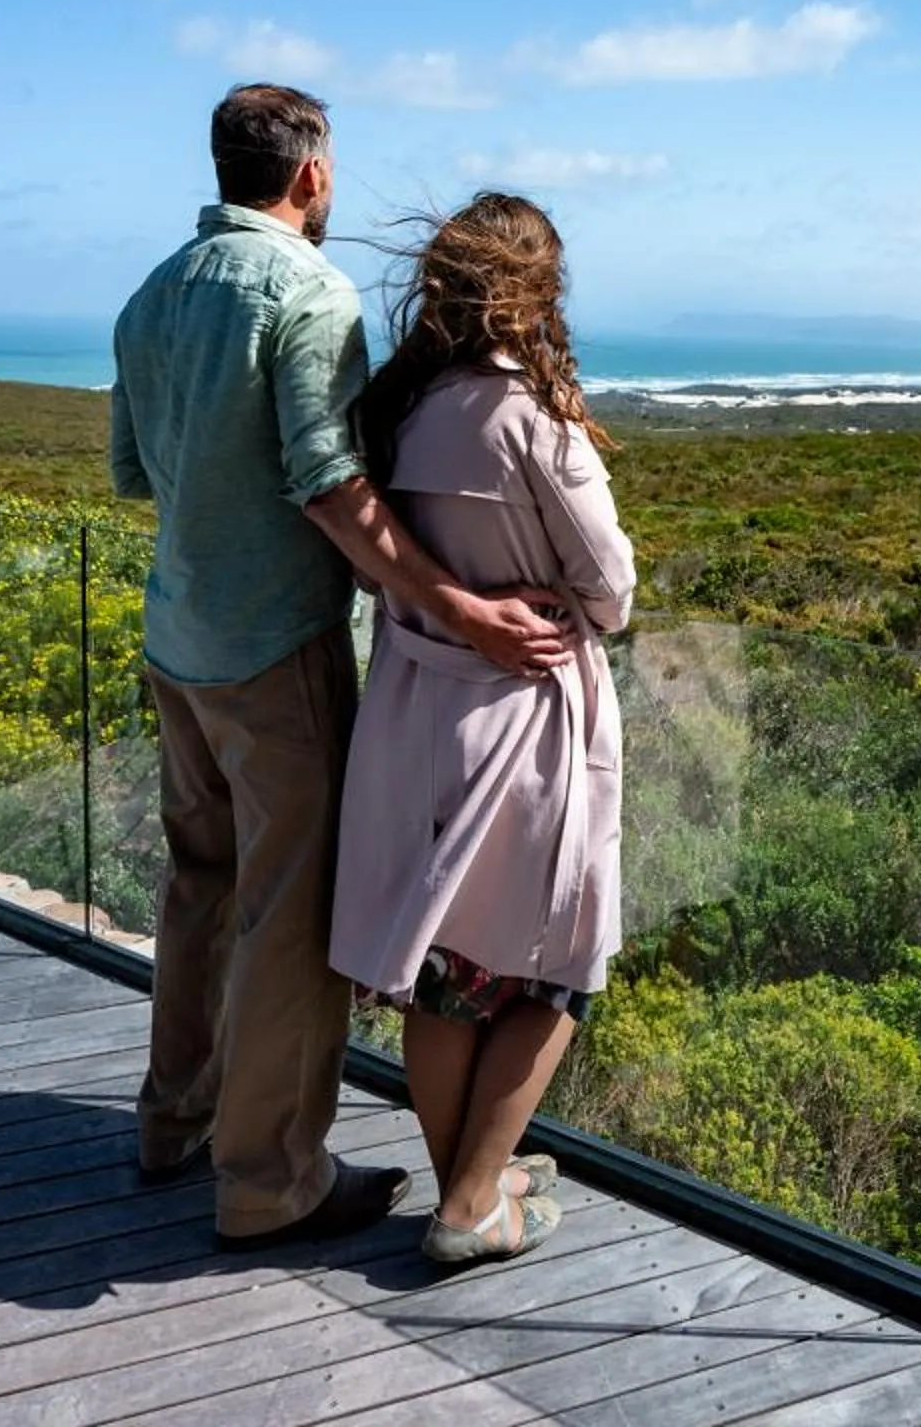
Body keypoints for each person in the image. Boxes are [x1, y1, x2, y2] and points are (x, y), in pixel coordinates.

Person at [108, 84, 571, 1249]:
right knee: (289, 914)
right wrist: (454, 602)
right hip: (274, 644)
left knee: (202, 883)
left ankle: (176, 1118)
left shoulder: (153, 293)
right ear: (310, 176)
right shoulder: (306, 291)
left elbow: (131, 468)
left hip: (178, 637)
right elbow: (327, 477)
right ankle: (270, 1179)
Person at [330, 192, 635, 1266]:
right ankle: (468, 1206)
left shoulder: (399, 410)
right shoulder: (531, 423)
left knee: (450, 967)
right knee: (558, 964)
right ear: (538, 295)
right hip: (525, 724)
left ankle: (477, 1177)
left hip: (416, 715)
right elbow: (610, 585)